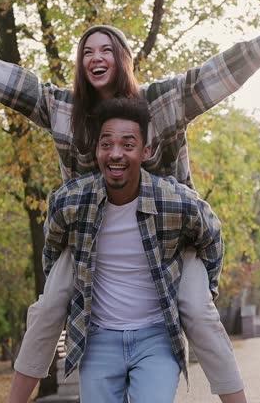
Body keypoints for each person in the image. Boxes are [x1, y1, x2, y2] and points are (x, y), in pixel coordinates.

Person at [0, 0, 260, 402]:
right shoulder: (64, 109)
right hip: (91, 235)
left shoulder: (162, 102)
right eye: (87, 52)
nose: (95, 57)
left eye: (106, 49)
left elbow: (222, 70)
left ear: (122, 58)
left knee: (197, 310)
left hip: (172, 235)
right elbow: (10, 81)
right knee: (50, 304)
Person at [42, 97, 227, 402]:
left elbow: (212, 238)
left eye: (128, 145)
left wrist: (200, 289)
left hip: (157, 338)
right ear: (97, 150)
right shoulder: (70, 202)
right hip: (98, 339)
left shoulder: (175, 201)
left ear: (146, 151)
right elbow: (51, 252)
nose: (116, 154)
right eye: (107, 144)